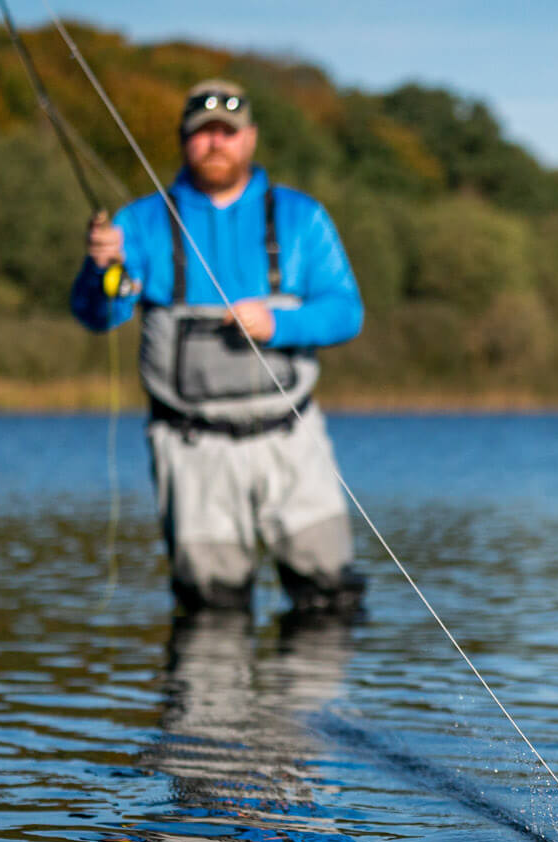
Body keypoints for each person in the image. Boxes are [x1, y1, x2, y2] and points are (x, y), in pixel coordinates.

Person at [71, 78, 365, 617]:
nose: (216, 144)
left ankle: (318, 704)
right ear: (185, 142)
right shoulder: (141, 221)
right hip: (191, 448)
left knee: (329, 599)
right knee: (211, 607)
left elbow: (347, 312)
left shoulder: (303, 217)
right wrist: (101, 267)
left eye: (227, 134)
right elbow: (99, 314)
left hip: (292, 440)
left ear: (249, 139)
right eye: (203, 134)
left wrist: (277, 324)